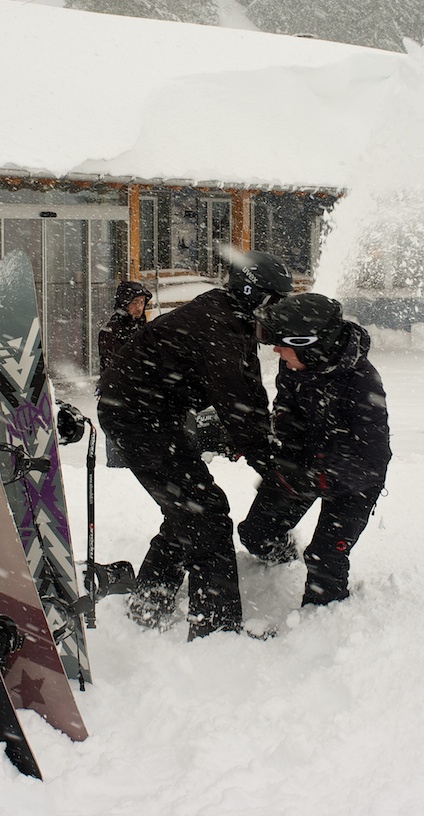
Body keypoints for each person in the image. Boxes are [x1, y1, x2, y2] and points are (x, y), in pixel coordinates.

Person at [97, 250, 292, 640]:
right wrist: (272, 465)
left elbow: (250, 392)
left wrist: (270, 447)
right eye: (276, 302)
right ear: (253, 294)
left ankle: (150, 603)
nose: (279, 312)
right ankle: (215, 631)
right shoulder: (219, 326)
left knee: (188, 508)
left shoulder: (233, 318)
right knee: (206, 514)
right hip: (136, 419)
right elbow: (237, 405)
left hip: (154, 414)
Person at [238, 293, 390, 608]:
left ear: (309, 345)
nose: (277, 351)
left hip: (354, 485)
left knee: (324, 558)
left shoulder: (361, 383)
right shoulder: (294, 366)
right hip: (304, 467)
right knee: (256, 533)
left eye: (283, 344)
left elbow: (373, 458)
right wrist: (282, 450)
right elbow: (286, 411)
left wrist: (322, 476)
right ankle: (283, 563)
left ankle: (323, 618)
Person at [97, 280, 152, 467]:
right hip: (118, 400)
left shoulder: (144, 329)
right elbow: (116, 368)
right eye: (135, 302)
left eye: (142, 302)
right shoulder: (111, 332)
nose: (139, 307)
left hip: (141, 400)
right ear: (124, 303)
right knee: (120, 460)